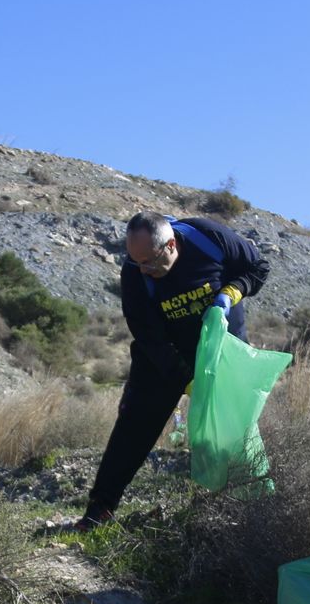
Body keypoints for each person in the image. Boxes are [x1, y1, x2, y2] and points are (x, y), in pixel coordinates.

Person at [75, 212, 270, 529]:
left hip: (221, 352)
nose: (145, 271)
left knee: (235, 432)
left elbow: (258, 267)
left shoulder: (208, 238)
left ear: (171, 244)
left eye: (150, 262)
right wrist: (189, 382)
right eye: (137, 263)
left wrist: (233, 291)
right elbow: (150, 339)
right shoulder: (135, 273)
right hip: (164, 355)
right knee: (133, 429)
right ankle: (100, 510)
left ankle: (244, 511)